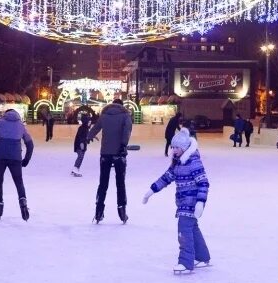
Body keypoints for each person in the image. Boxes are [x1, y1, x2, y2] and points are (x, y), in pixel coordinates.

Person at [142, 127, 211, 275]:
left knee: (184, 231)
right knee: (193, 228)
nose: (173, 150)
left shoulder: (193, 162)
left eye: (176, 147)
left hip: (192, 202)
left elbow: (204, 183)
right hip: (183, 201)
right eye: (172, 147)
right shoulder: (178, 162)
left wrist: (200, 202)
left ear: (185, 147)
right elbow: (166, 177)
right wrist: (151, 191)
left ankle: (185, 263)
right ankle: (202, 257)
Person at [0, 108, 34, 221]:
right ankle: (23, 202)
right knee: (19, 181)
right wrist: (26, 159)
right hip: (15, 158)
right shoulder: (21, 125)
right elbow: (30, 144)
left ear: (5, 114)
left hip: (0, 157)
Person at [87, 96, 133, 223]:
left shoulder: (104, 115)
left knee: (103, 183)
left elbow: (96, 128)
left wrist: (88, 137)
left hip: (105, 153)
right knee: (120, 183)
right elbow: (127, 131)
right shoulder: (125, 116)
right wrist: (123, 145)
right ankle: (122, 211)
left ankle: (98, 211)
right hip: (119, 153)